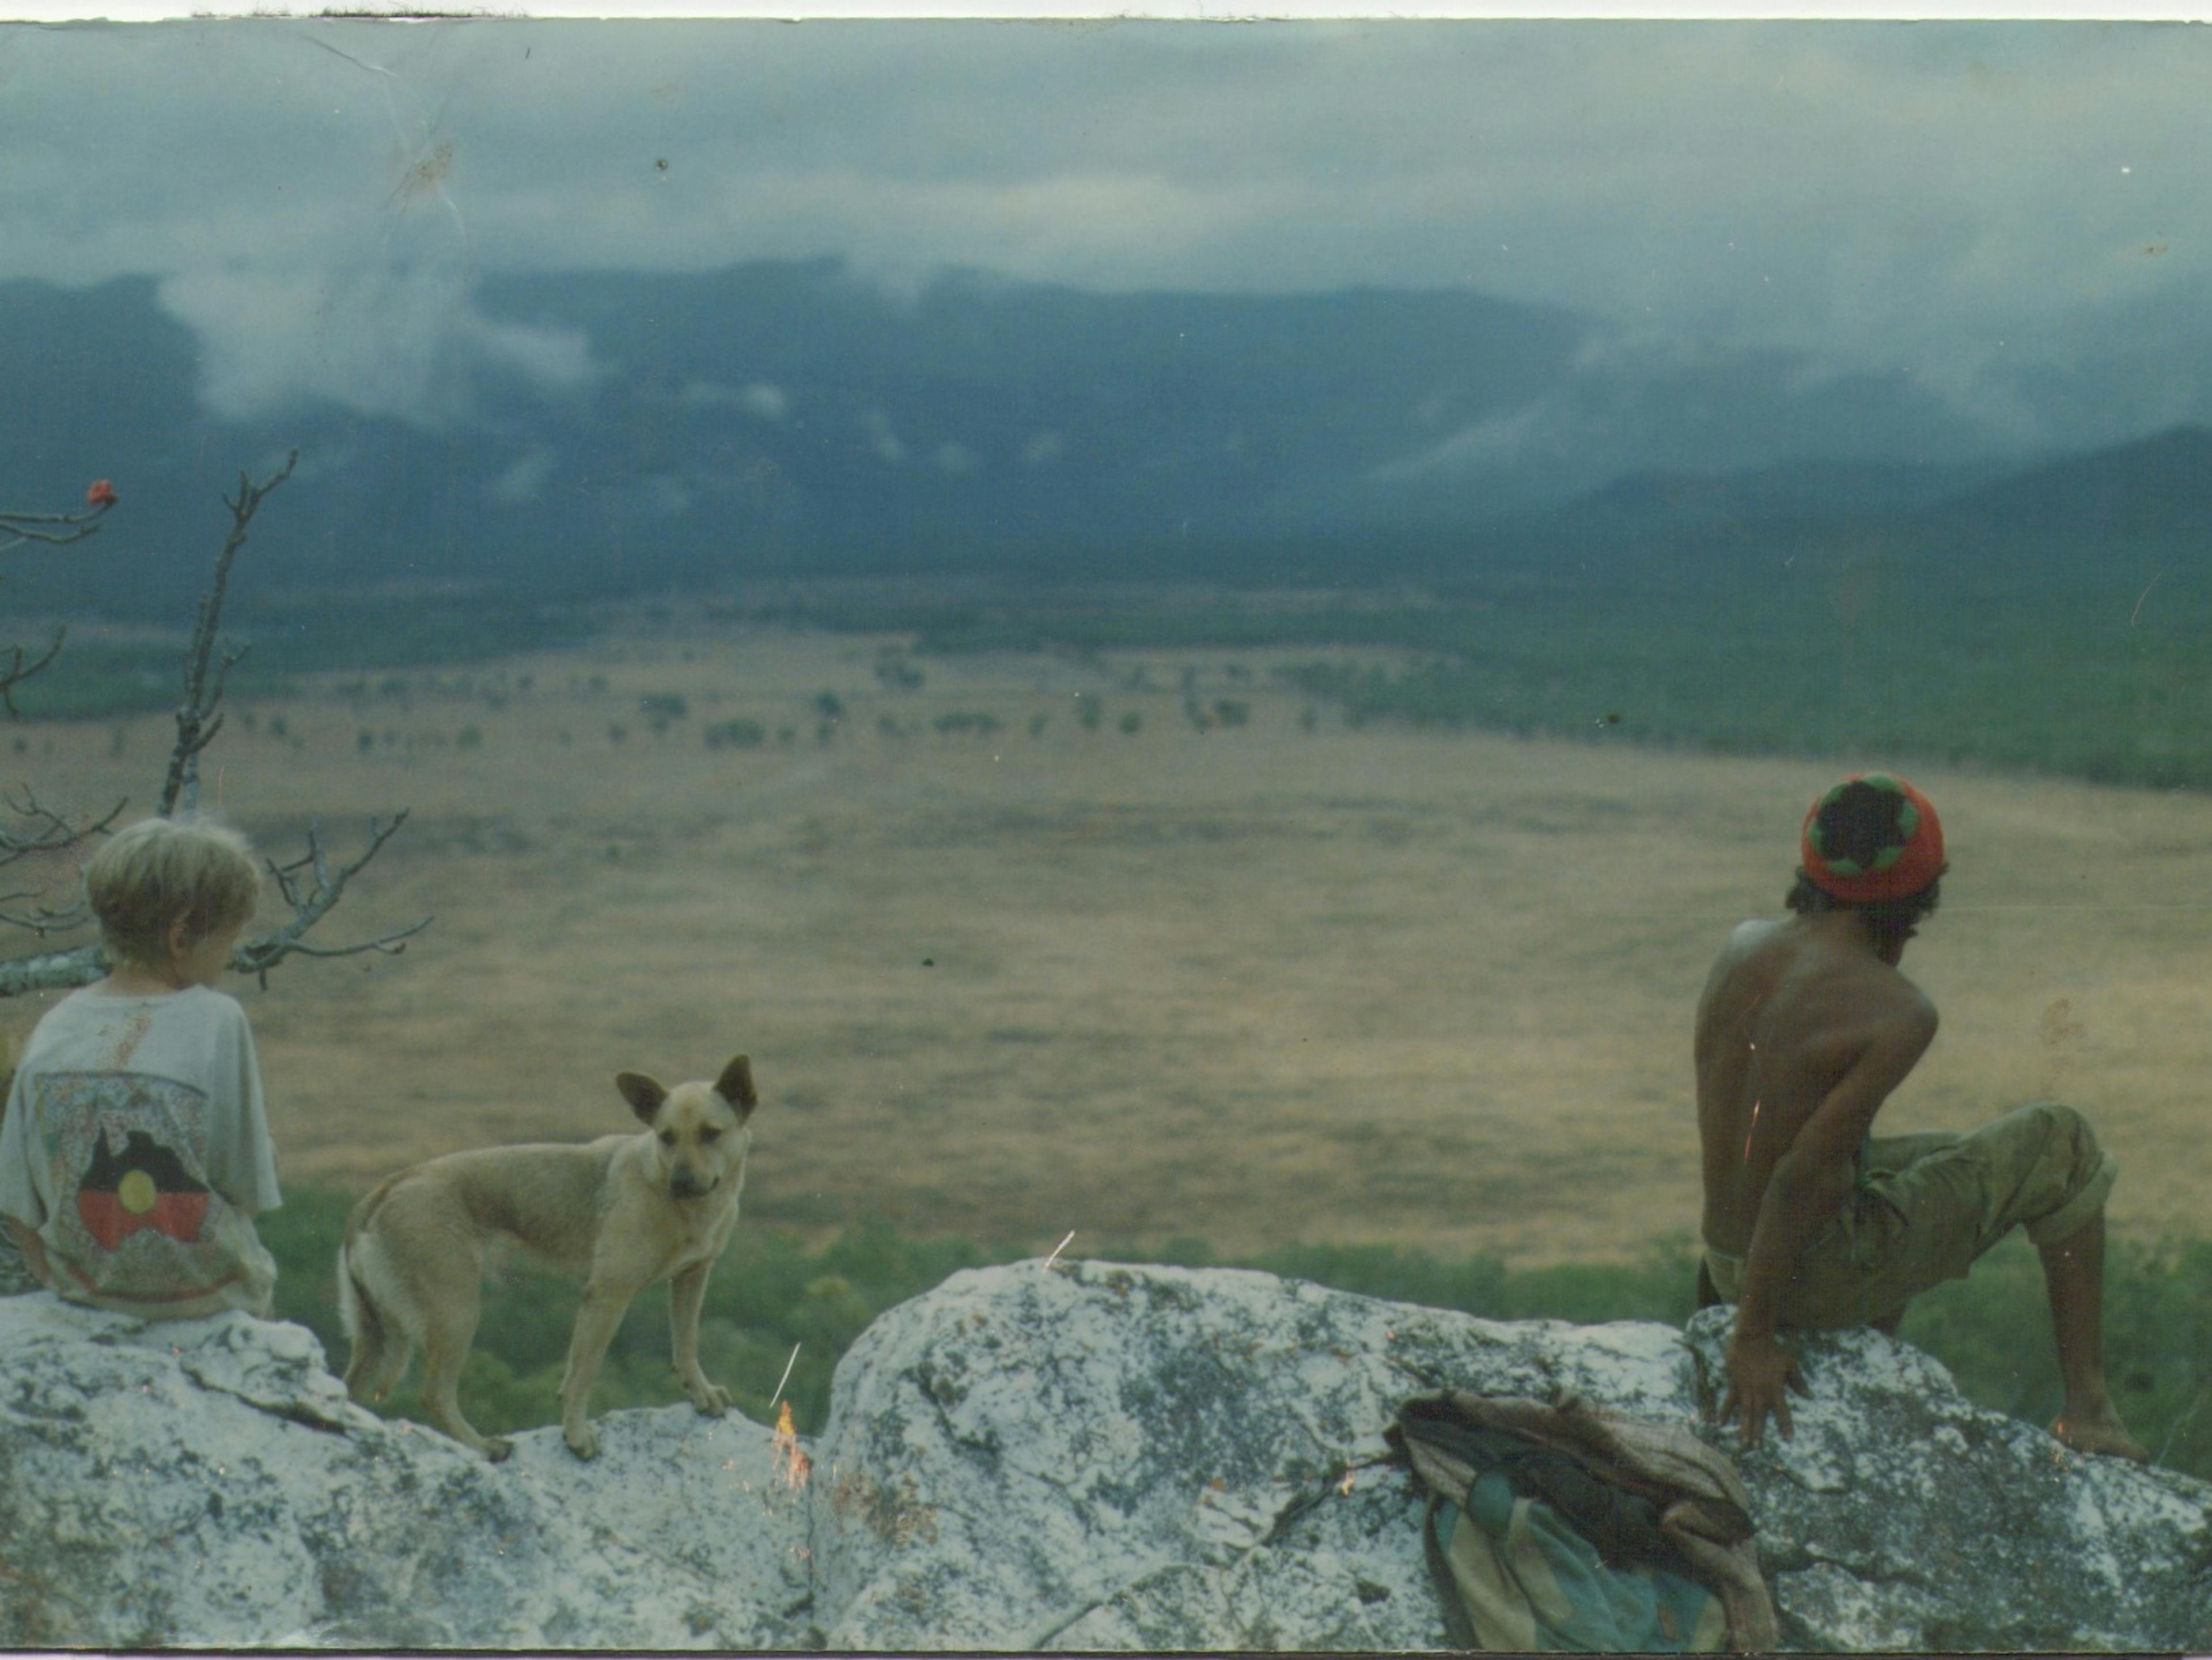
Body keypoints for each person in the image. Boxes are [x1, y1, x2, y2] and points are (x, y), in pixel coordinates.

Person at [1695, 773, 2144, 1460]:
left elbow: (1759, 1153)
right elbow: (1800, 1177)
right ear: (1921, 893)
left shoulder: (1743, 944)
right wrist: (1751, 1337)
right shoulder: (1899, 1011)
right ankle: (2088, 1409)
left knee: (1945, 1155)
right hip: (1799, 1280)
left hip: (1728, 1259)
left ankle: (1864, 1343)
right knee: (2062, 1141)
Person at [0, 815, 282, 1319]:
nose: (229, 957)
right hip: (211, 1303)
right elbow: (249, 1187)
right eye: (226, 940)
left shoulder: (54, 1026)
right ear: (180, 938)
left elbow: (19, 1205)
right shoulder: (218, 1018)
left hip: (85, 1301)